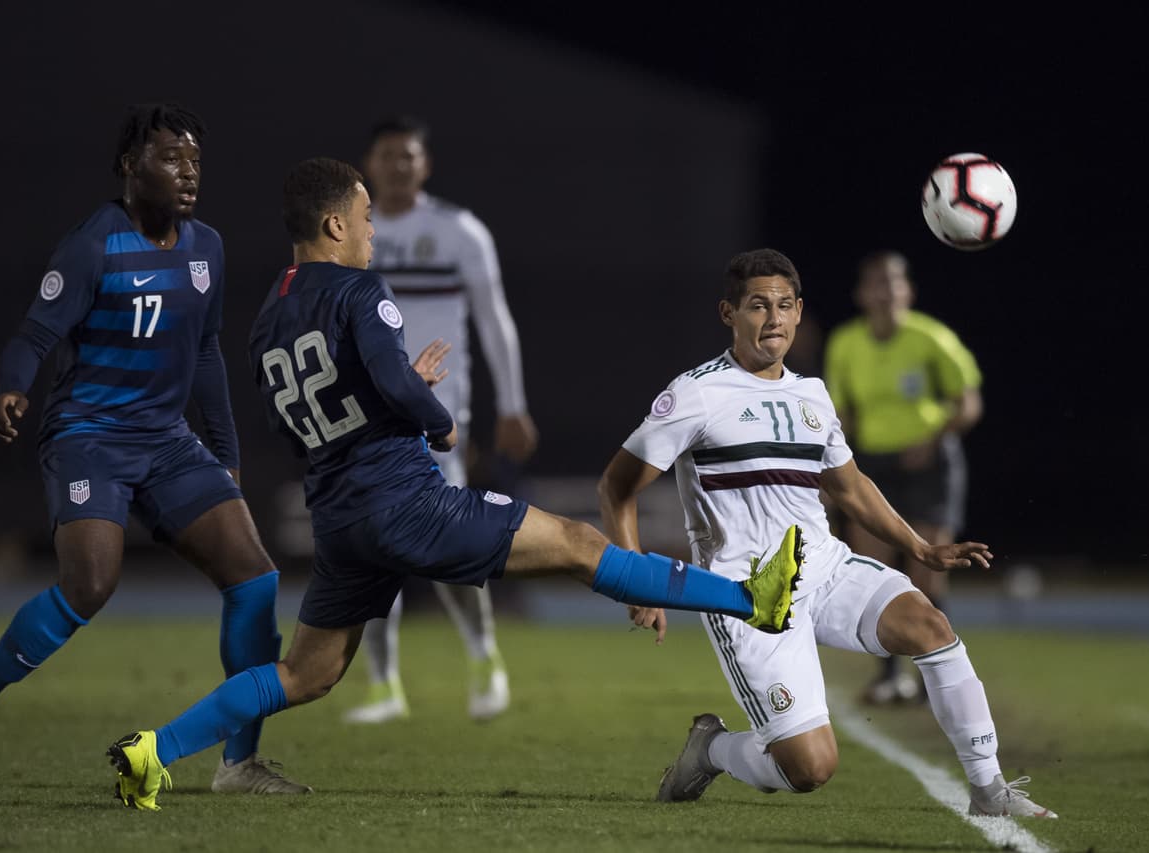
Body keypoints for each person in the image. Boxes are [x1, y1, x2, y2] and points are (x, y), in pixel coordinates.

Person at [104, 158, 800, 811]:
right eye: (366, 215)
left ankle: (154, 750)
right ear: (334, 225)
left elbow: (304, 426)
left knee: (304, 674)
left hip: (341, 518)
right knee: (581, 544)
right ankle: (749, 599)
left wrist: (396, 400)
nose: (375, 230)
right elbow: (400, 387)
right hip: (406, 500)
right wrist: (435, 422)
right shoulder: (358, 289)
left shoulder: (265, 319)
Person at [597, 248, 1054, 818]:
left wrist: (919, 546)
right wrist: (636, 581)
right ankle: (712, 749)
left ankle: (990, 791)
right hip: (747, 595)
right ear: (728, 314)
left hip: (826, 567)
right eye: (758, 306)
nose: (774, 319)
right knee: (810, 769)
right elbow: (617, 488)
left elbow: (848, 486)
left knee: (930, 626)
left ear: (799, 312)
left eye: (785, 306)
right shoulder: (696, 395)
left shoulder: (810, 393)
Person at [0, 103, 308, 796]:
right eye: (172, 158)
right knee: (91, 584)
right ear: (130, 167)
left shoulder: (208, 248)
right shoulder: (92, 244)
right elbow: (33, 336)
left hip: (167, 441)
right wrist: (11, 387)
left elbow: (205, 352)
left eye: (196, 160)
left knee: (255, 579)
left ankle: (239, 762)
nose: (188, 173)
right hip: (88, 436)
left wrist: (224, 452)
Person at [343, 116, 539, 723]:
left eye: (409, 156)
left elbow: (495, 320)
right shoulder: (349, 233)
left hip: (435, 417)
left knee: (443, 546)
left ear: (425, 164)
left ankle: (485, 658)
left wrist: (512, 406)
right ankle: (383, 687)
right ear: (370, 164)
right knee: (369, 549)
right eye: (388, 155)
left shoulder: (458, 231)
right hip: (364, 416)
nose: (399, 165)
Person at [823, 251, 983, 705]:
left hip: (931, 466)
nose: (885, 292)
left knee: (929, 577)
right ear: (861, 294)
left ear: (907, 291)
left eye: (894, 283)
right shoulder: (846, 343)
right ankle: (891, 677)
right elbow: (842, 413)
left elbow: (967, 403)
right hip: (875, 465)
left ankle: (944, 678)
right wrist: (833, 468)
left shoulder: (932, 339)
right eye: (876, 283)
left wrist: (934, 440)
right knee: (875, 574)